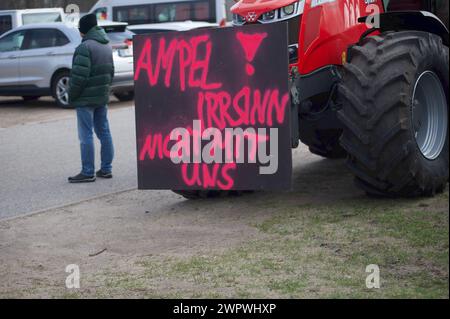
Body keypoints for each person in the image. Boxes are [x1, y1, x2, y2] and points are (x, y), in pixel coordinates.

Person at [68, 14, 115, 183]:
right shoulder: (106, 44)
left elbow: (79, 77)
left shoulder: (85, 47)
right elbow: (111, 72)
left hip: (85, 99)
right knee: (104, 132)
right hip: (101, 96)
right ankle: (106, 169)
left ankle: (88, 172)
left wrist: (71, 96)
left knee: (86, 135)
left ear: (84, 30)